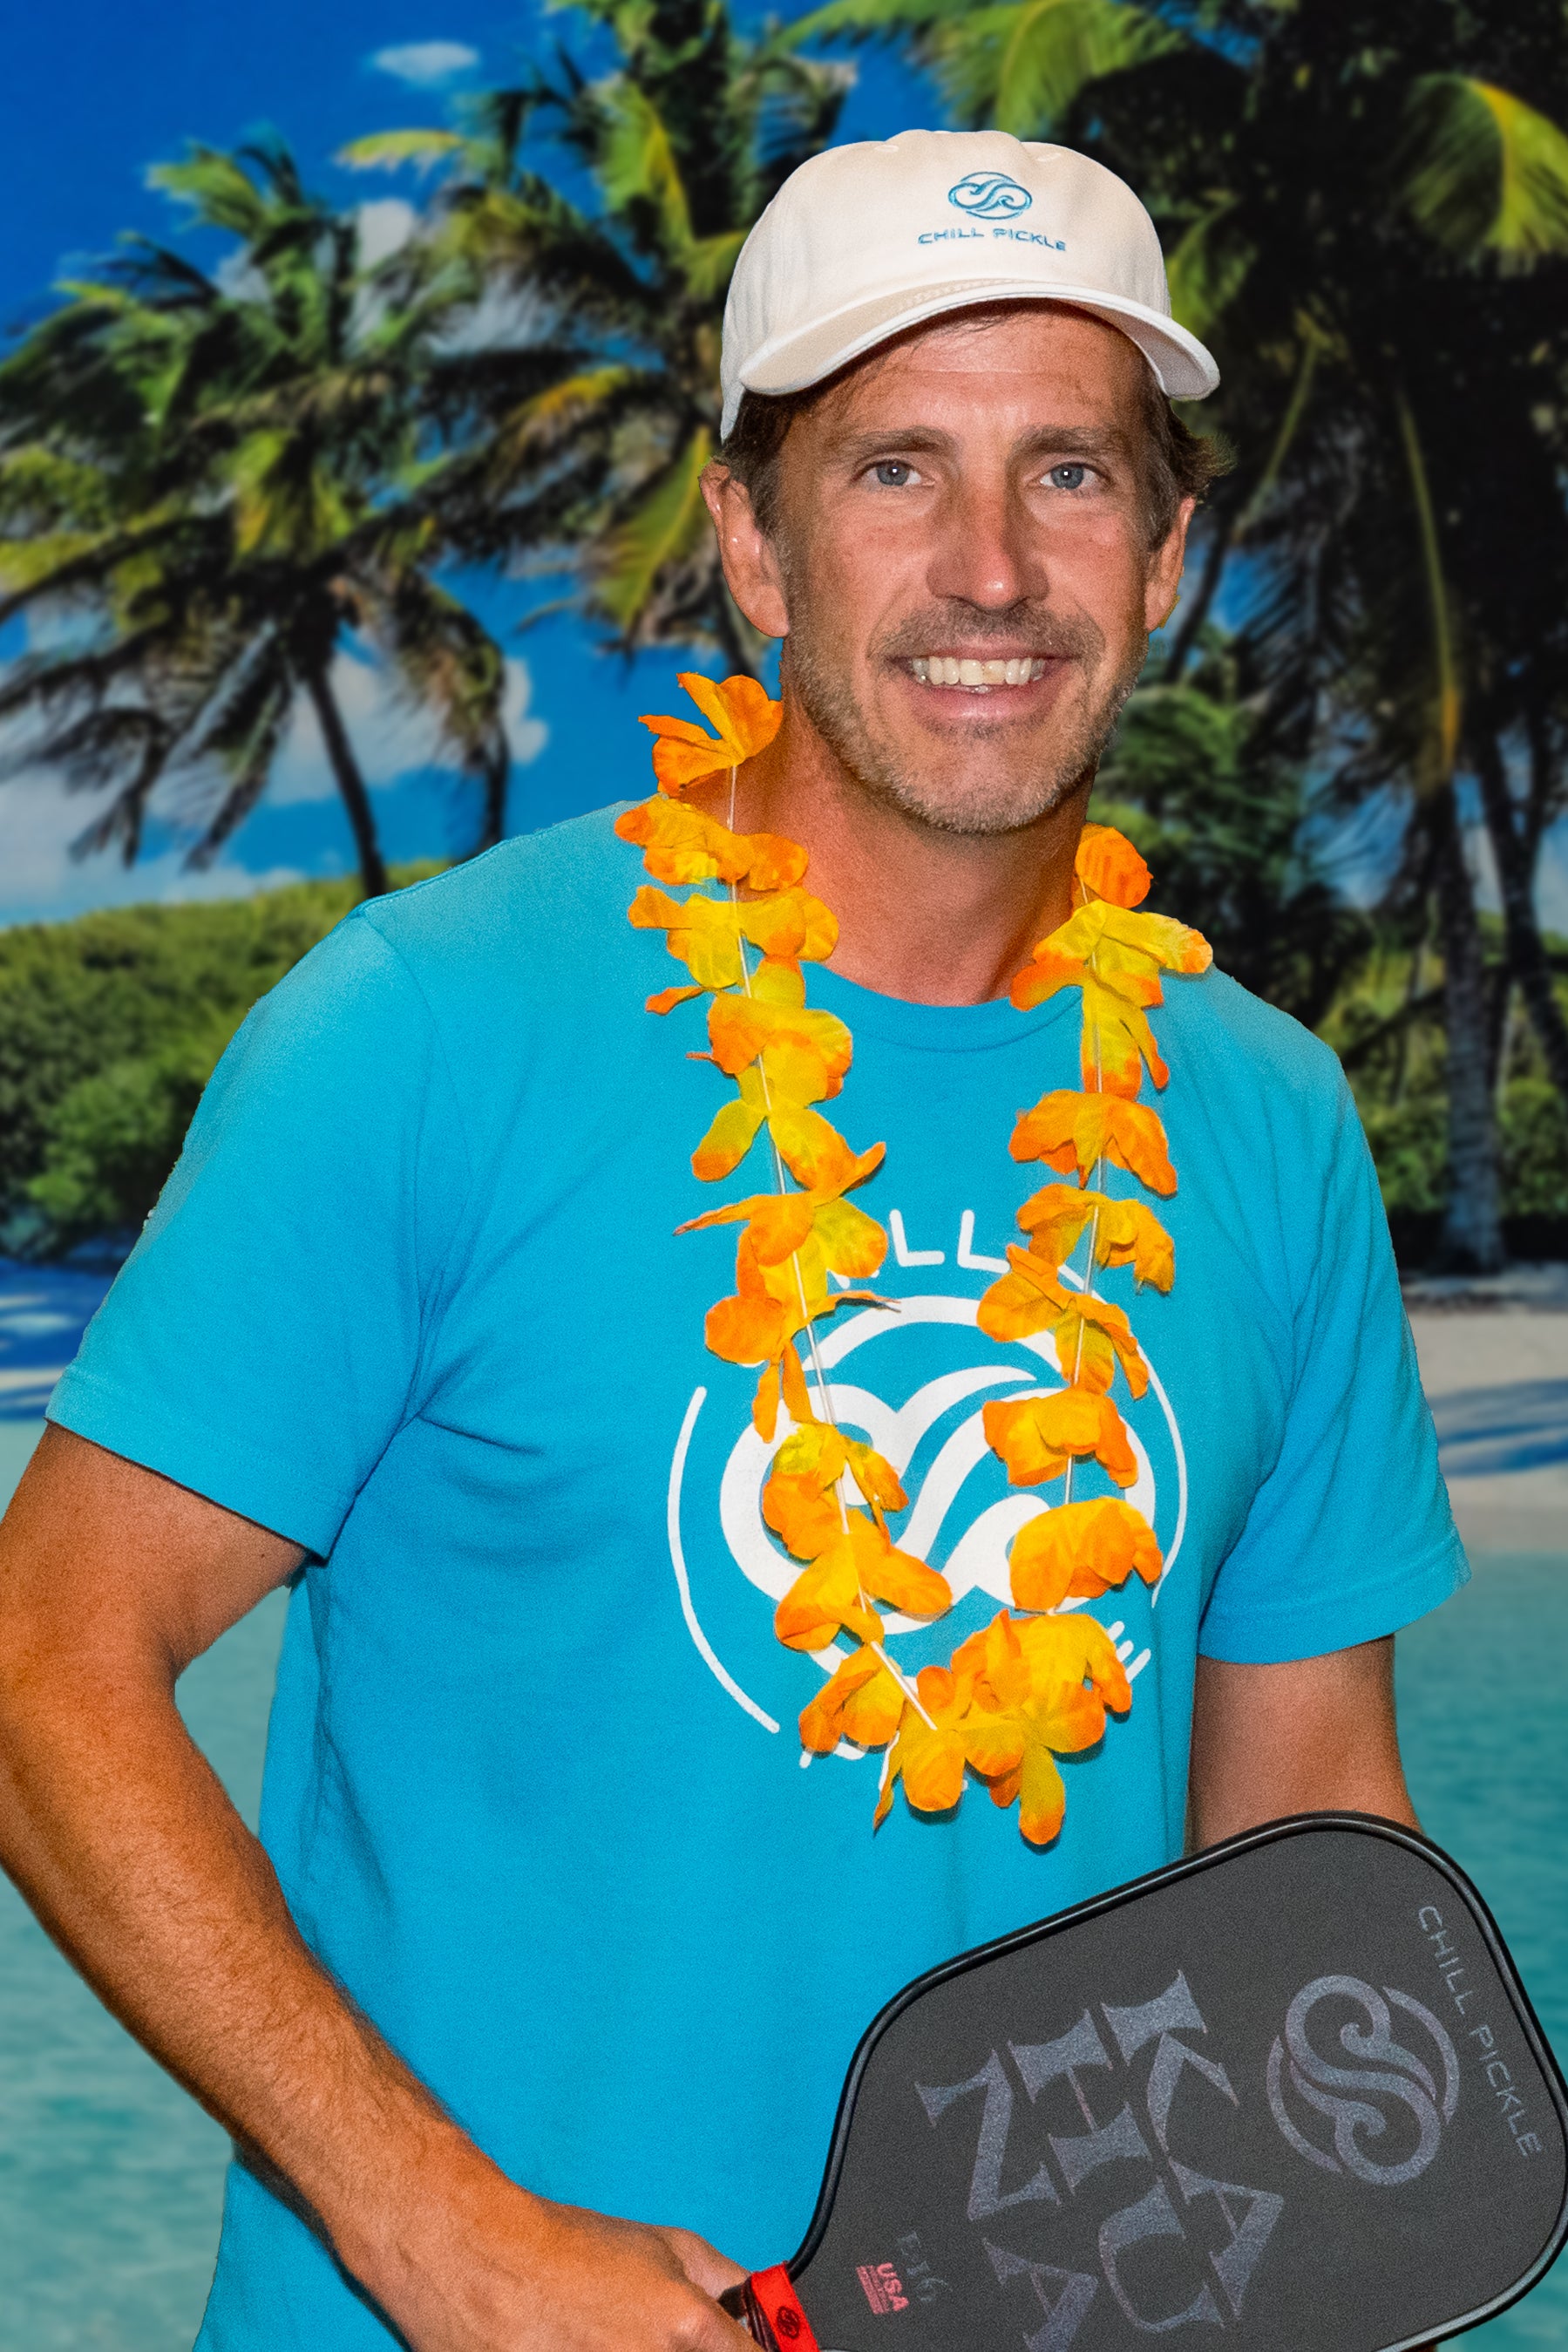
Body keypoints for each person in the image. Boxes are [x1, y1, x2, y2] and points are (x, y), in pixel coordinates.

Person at [0, 128, 1462, 2352]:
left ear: (1168, 555)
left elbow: (1305, 1827)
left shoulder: (1266, 1114)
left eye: (1068, 474)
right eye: (894, 469)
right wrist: (447, 2236)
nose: (990, 566)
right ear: (752, 550)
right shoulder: (428, 1028)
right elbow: (42, 1668)